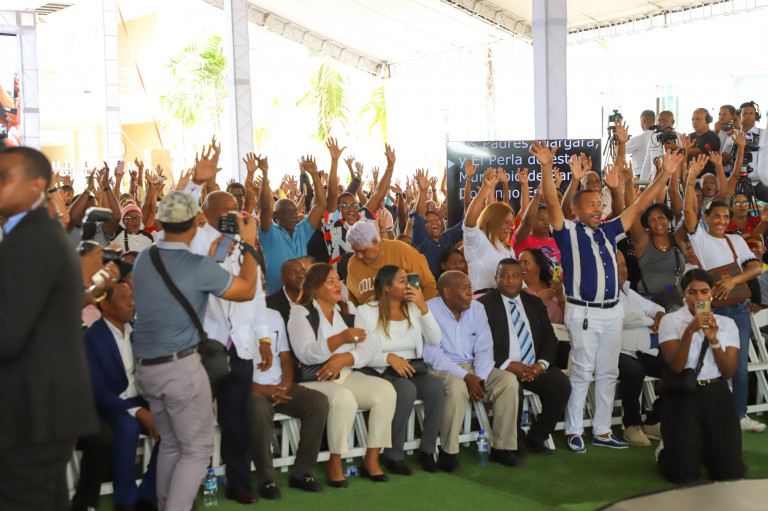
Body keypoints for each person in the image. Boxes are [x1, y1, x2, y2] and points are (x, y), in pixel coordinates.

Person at [534, 139, 683, 452]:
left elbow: (639, 206)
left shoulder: (609, 230)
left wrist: (665, 175)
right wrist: (547, 167)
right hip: (583, 312)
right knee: (581, 372)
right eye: (590, 205)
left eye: (599, 205)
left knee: (608, 372)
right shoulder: (567, 231)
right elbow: (552, 201)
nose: (597, 208)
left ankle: (602, 431)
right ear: (575, 210)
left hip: (612, 311)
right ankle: (575, 430)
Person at [131, 189, 260, 511]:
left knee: (173, 444)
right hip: (183, 364)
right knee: (197, 449)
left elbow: (190, 283)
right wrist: (249, 246)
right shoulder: (196, 261)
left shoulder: (146, 257)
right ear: (198, 220)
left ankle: (165, 503)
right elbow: (246, 290)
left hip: (149, 366)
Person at [0, 146, 98, 510]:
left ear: (37, 185)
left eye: (4, 177)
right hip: (42, 406)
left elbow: (7, 336)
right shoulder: (37, 234)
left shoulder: (30, 240)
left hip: (30, 409)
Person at [187, 189, 273, 505]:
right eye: (224, 209)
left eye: (235, 209)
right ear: (205, 212)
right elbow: (208, 279)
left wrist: (264, 338)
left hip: (239, 346)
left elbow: (257, 294)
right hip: (204, 346)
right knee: (194, 422)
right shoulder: (196, 241)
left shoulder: (245, 245)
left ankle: (239, 483)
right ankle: (188, 486)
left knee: (237, 421)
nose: (232, 214)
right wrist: (231, 244)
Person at [287, 263, 397, 487]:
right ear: (315, 288)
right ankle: (335, 461)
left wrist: (345, 358)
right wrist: (340, 340)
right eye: (330, 281)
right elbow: (305, 353)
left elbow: (368, 348)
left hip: (346, 373)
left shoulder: (348, 309)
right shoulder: (301, 312)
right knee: (344, 398)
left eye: (338, 279)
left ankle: (372, 459)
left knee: (385, 391)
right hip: (316, 378)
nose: (338, 285)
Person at [682, 158, 766, 432]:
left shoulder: (737, 240)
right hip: (711, 308)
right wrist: (691, 178)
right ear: (706, 218)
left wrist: (733, 281)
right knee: (706, 363)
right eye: (716, 216)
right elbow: (688, 210)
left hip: (738, 309)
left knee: (739, 366)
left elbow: (756, 267)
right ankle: (705, 416)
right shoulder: (698, 237)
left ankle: (739, 415)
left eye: (725, 217)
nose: (721, 221)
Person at [425, 271, 522, 471]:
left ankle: (502, 448)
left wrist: (479, 378)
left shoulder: (477, 308)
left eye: (470, 287)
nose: (471, 293)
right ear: (447, 292)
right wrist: (466, 377)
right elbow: (433, 355)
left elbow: (485, 348)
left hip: (475, 367)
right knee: (456, 387)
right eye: (465, 289)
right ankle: (448, 453)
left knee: (508, 382)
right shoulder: (429, 310)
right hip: (443, 367)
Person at [656, 269, 746, 483]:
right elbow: (676, 366)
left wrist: (713, 340)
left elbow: (729, 371)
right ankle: (665, 450)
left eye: (704, 291)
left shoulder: (727, 324)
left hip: (716, 392)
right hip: (683, 394)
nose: (698, 297)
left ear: (711, 292)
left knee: (730, 473)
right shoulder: (670, 321)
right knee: (683, 475)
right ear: (683, 294)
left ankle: (704, 448)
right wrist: (690, 331)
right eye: (692, 292)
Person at [356, 265, 445, 474]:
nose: (408, 285)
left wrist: (423, 307)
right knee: (406, 390)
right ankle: (393, 454)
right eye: (402, 280)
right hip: (381, 370)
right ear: (387, 287)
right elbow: (362, 351)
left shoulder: (413, 308)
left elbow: (435, 339)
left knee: (435, 387)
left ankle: (428, 450)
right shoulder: (366, 311)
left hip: (412, 368)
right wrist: (388, 358)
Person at [478, 259, 571, 455]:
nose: (510, 280)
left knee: (561, 385)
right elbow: (481, 344)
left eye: (515, 276)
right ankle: (515, 440)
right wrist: (508, 364)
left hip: (532, 366)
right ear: (496, 279)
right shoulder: (483, 305)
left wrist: (541, 365)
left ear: (522, 279)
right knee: (513, 388)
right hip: (501, 368)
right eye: (504, 276)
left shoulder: (534, 302)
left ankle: (537, 437)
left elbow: (549, 337)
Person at [84, 281, 158, 510]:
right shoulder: (92, 338)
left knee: (171, 421)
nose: (131, 303)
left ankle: (149, 494)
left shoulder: (138, 332)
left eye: (132, 297)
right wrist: (139, 412)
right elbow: (97, 391)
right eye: (124, 298)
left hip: (140, 397)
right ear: (105, 304)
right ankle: (126, 501)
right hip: (110, 404)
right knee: (128, 426)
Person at [250, 308, 329, 498]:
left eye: (261, 291)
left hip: (279, 386)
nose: (259, 293)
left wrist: (285, 386)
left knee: (318, 402)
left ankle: (303, 473)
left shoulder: (274, 315)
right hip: (248, 389)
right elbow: (229, 370)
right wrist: (262, 390)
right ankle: (266, 479)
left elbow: (285, 357)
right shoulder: (233, 317)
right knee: (259, 407)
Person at [615, 251, 666, 446]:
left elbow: (654, 307)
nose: (621, 269)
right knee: (633, 371)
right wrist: (651, 321)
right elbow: (622, 318)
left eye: (623, 264)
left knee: (677, 367)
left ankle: (653, 421)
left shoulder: (630, 291)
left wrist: (658, 315)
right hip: (617, 352)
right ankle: (632, 425)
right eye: (616, 265)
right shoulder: (601, 293)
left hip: (642, 350)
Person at [257, 153, 326, 294]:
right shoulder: (269, 233)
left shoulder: (302, 230)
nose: (294, 216)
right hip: (276, 298)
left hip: (302, 296)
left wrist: (314, 175)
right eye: (288, 212)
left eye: (295, 212)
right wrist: (264, 174)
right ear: (276, 215)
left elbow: (320, 205)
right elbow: (265, 207)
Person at [321, 140, 395, 267]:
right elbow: (332, 192)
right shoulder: (333, 220)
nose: (351, 209)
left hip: (363, 275)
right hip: (339, 276)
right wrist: (334, 160)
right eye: (345, 205)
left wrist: (390, 166)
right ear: (338, 208)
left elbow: (378, 194)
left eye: (355, 205)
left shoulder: (363, 217)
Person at [346, 221, 437, 304]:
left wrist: (422, 312)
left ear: (375, 242)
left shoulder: (402, 251)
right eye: (356, 251)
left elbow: (429, 284)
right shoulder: (353, 265)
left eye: (363, 251)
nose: (359, 256)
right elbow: (352, 298)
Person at [463, 165, 515, 293]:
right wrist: (486, 187)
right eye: (507, 222)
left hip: (503, 300)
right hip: (480, 300)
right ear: (495, 220)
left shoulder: (508, 250)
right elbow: (469, 221)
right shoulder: (478, 239)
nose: (511, 227)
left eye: (512, 223)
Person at [630, 203, 685, 312]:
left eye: (661, 217)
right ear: (647, 224)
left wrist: (690, 189)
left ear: (668, 219)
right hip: (649, 303)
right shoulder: (643, 241)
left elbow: (690, 217)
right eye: (652, 220)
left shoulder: (677, 238)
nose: (658, 222)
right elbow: (633, 215)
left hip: (676, 301)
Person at [411, 169, 463, 279]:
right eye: (429, 221)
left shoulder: (447, 237)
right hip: (427, 287)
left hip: (449, 284)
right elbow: (419, 217)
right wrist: (423, 191)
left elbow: (466, 224)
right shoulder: (420, 240)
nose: (434, 222)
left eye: (436, 219)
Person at [512, 187, 560, 266]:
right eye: (541, 218)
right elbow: (526, 223)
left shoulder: (555, 242)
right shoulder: (522, 239)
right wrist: (537, 196)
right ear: (532, 220)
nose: (546, 222)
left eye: (549, 220)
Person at [519, 248, 564, 324]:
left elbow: (570, 318)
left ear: (539, 266)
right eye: (519, 262)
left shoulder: (554, 286)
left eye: (526, 263)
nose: (521, 266)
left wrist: (560, 296)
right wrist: (537, 299)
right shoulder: (516, 290)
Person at [267, 258, 306, 325]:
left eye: (303, 271)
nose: (300, 275)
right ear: (283, 279)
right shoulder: (269, 303)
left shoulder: (314, 299)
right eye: (293, 272)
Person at [687, 108, 721, 176]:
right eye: (693, 119)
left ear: (708, 120)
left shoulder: (712, 137)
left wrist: (677, 148)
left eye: (697, 119)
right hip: (689, 176)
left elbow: (698, 152)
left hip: (706, 178)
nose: (694, 122)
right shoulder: (690, 136)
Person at [625, 109, 656, 175]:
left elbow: (619, 151)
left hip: (641, 177)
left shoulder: (638, 139)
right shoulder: (659, 137)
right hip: (657, 176)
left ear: (643, 121)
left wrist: (620, 141)